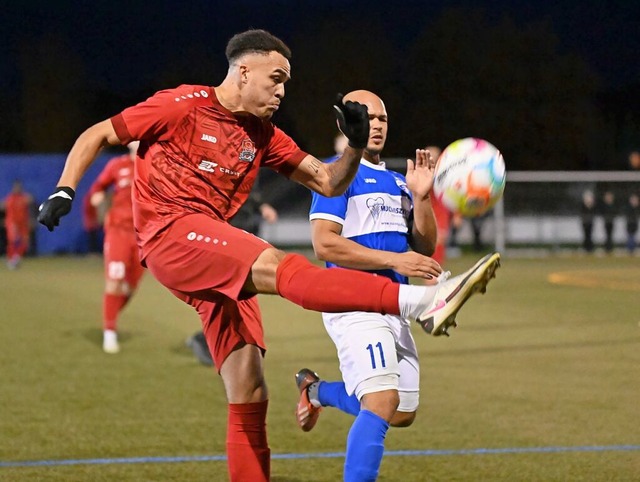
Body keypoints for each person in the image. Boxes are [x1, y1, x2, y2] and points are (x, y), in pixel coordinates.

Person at [37, 29, 500, 482]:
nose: (282, 90)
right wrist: (64, 188)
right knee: (278, 264)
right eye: (275, 78)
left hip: (210, 250)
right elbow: (98, 133)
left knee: (251, 392)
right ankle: (424, 302)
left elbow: (328, 181)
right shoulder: (182, 104)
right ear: (243, 71)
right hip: (170, 232)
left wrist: (355, 147)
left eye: (286, 83)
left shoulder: (264, 134)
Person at [295, 90, 499, 481]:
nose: (376, 125)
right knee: (382, 401)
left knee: (402, 411)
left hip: (394, 303)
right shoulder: (336, 172)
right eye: (366, 116)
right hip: (352, 303)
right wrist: (395, 260)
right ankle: (437, 301)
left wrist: (421, 197)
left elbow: (423, 245)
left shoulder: (396, 181)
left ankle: (316, 391)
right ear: (345, 123)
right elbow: (324, 244)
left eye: (382, 118)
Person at [187, 179, 279, 366]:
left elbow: (249, 188)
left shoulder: (247, 158)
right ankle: (207, 340)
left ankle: (227, 340)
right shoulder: (222, 160)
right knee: (227, 290)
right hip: (228, 229)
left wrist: (262, 206)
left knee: (240, 292)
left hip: (245, 226)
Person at [86, 141, 144, 354]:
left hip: (143, 236)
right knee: (114, 282)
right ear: (129, 143)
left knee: (130, 288)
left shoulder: (156, 165)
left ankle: (109, 318)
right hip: (119, 231)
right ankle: (109, 332)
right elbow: (98, 187)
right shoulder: (116, 165)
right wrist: (97, 196)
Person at [425, 145, 454, 266]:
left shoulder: (446, 174)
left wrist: (457, 214)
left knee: (437, 250)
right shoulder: (423, 174)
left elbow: (454, 194)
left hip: (441, 216)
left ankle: (434, 280)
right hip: (427, 216)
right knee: (431, 251)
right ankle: (433, 281)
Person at [2, 180, 34, 269]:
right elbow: (7, 210)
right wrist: (12, 224)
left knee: (24, 242)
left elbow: (29, 202)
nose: (18, 189)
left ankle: (16, 259)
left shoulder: (23, 198)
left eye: (19, 187)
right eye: (16, 187)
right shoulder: (11, 199)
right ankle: (11, 259)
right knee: (13, 241)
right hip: (13, 223)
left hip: (23, 223)